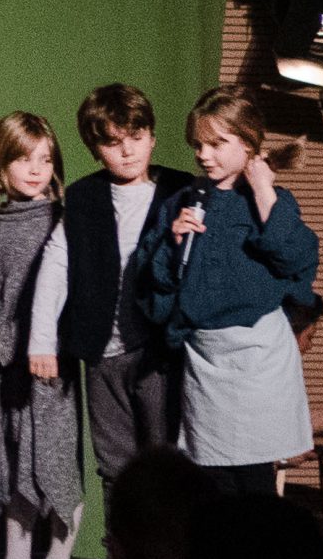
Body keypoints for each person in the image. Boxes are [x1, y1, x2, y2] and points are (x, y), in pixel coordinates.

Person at [141, 86, 319, 495]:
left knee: (254, 478)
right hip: (206, 361)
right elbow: (155, 287)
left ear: (249, 143)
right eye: (198, 145)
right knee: (212, 478)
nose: (204, 155)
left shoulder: (273, 200)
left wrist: (263, 190)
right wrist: (172, 243)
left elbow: (297, 262)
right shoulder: (182, 203)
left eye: (217, 143)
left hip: (258, 357)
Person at [26, 83, 196, 494]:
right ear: (95, 148)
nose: (127, 151)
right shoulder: (84, 196)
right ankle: (121, 536)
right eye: (113, 143)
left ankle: (169, 536)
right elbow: (57, 261)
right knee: (115, 464)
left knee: (166, 459)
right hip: (102, 350)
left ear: (152, 137)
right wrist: (42, 340)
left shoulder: (182, 190)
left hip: (159, 348)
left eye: (136, 137)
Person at [0, 112, 81, 559]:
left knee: (56, 460)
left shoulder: (64, 223)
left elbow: (71, 301)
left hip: (51, 370)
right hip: (4, 376)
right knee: (13, 459)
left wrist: (11, 339)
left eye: (45, 159)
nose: (36, 170)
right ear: (1, 164)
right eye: (23, 159)